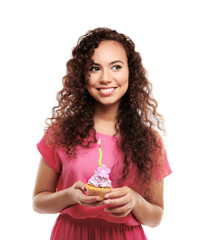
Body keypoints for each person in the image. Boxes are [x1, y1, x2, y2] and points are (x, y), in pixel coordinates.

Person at [33, 27, 172, 240]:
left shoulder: (150, 141)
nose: (106, 78)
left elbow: (155, 218)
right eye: (95, 68)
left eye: (116, 67)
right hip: (70, 234)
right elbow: (39, 203)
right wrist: (70, 196)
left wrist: (135, 200)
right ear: (83, 75)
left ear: (130, 72)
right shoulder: (60, 133)